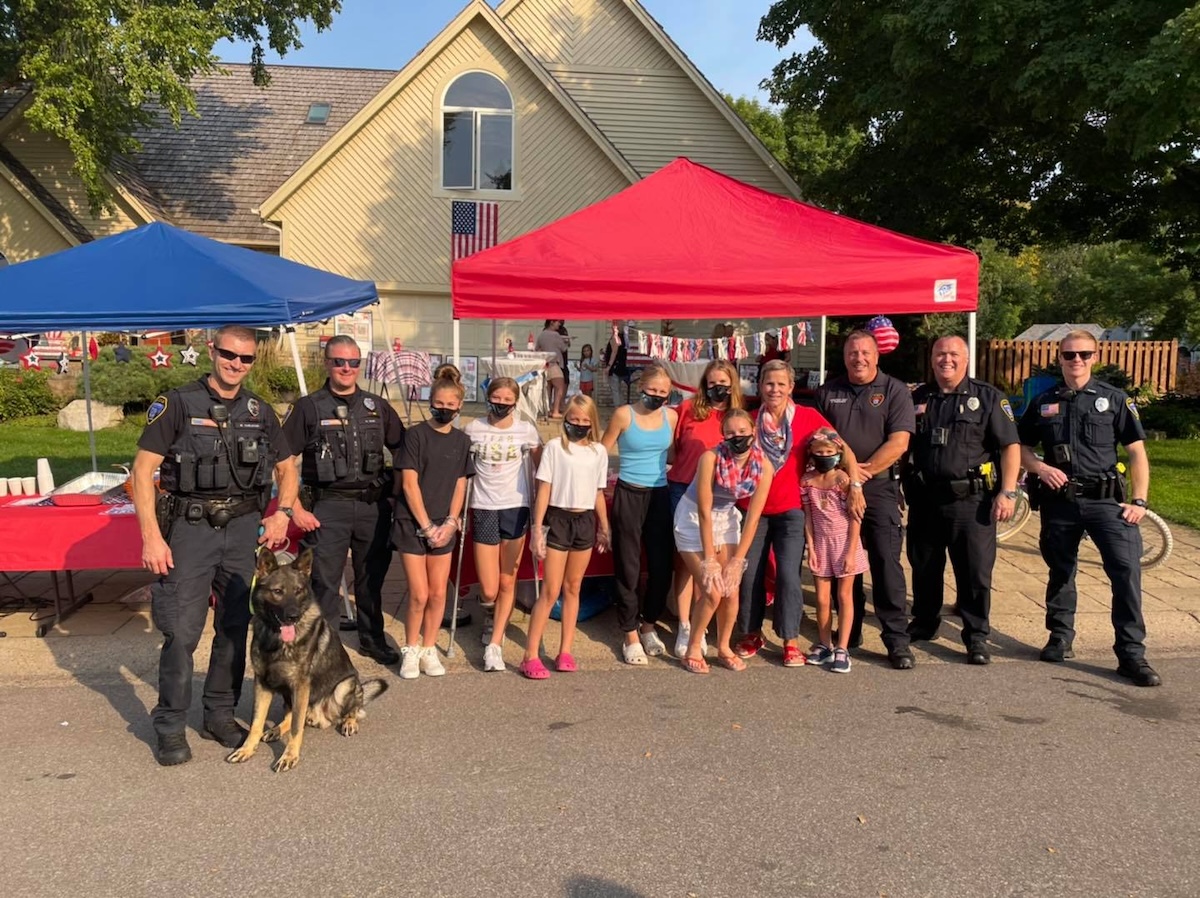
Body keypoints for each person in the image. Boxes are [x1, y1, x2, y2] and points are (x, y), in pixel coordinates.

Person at [132, 325, 297, 766]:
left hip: (243, 530)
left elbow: (287, 467)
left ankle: (219, 715)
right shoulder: (178, 404)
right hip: (190, 530)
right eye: (228, 355)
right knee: (182, 632)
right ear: (212, 350)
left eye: (245, 359)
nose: (236, 365)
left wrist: (283, 511)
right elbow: (142, 471)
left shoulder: (259, 410)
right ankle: (169, 723)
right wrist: (151, 536)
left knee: (232, 627)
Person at [1018, 330, 1161, 686]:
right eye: (1069, 355)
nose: (1076, 361)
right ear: (1060, 359)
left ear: (1095, 357)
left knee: (1126, 572)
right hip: (1060, 503)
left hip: (1106, 502)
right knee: (1060, 570)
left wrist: (1140, 501)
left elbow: (1137, 453)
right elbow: (1019, 446)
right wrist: (1039, 467)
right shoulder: (1044, 401)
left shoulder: (1113, 399)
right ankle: (1060, 636)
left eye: (1083, 354)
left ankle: (1131, 655)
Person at [282, 335, 406, 665]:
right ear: (327, 363)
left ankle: (371, 638)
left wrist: (397, 496)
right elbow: (282, 460)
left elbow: (404, 451)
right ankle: (325, 649)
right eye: (339, 361)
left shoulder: (376, 407)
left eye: (353, 362)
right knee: (323, 583)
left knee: (371, 579)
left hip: (372, 507)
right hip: (326, 508)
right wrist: (294, 509)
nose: (346, 368)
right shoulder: (308, 408)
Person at [904, 335, 1021, 665]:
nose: (946, 360)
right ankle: (925, 623)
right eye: (940, 354)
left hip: (972, 501)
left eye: (954, 354)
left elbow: (1010, 446)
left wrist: (1007, 491)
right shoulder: (917, 398)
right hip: (925, 499)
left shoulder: (987, 398)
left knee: (974, 571)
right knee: (925, 566)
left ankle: (976, 635)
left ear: (966, 359)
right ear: (932, 359)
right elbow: (905, 445)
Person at [735, 360, 853, 667]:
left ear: (790, 387)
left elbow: (843, 448)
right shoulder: (748, 421)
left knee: (788, 576)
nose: (774, 389)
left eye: (780, 384)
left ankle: (789, 640)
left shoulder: (808, 417)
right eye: (768, 383)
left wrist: (855, 485)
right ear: (759, 386)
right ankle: (751, 632)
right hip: (753, 509)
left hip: (791, 509)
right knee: (750, 575)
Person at [816, 330, 916, 669]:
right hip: (837, 488)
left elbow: (899, 442)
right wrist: (846, 476)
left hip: (879, 489)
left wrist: (860, 474)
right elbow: (820, 438)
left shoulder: (894, 390)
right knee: (846, 564)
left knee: (886, 564)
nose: (858, 358)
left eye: (864, 353)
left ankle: (896, 640)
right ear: (844, 356)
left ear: (877, 355)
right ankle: (850, 632)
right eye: (852, 353)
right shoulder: (829, 391)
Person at [675, 409, 773, 673]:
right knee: (711, 588)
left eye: (742, 432)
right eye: (730, 433)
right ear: (723, 435)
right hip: (694, 517)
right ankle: (694, 647)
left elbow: (753, 517)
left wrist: (737, 561)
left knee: (731, 588)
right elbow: (705, 511)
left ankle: (724, 646)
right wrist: (709, 559)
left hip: (728, 519)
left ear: (753, 431)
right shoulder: (710, 458)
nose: (737, 437)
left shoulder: (764, 465)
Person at [392, 373, 476, 679]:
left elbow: (460, 484)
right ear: (430, 402)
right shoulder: (415, 436)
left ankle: (430, 648)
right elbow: (410, 485)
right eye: (438, 403)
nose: (444, 408)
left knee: (439, 593)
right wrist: (427, 526)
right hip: (412, 523)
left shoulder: (463, 440)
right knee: (419, 593)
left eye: (450, 404)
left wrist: (452, 522)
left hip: (445, 524)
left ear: (459, 406)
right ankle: (411, 649)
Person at [522, 395, 611, 679]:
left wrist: (604, 526)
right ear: (566, 420)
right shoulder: (554, 449)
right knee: (550, 590)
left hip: (584, 520)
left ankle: (565, 650)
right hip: (558, 519)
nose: (580, 425)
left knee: (574, 588)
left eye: (585, 421)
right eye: (574, 419)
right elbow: (544, 489)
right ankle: (531, 655)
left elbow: (598, 492)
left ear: (592, 422)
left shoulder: (598, 452)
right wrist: (537, 529)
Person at [464, 377, 542, 672]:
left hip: (516, 507)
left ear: (515, 403)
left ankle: (495, 643)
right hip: (484, 507)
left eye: (507, 401)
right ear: (488, 398)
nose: (501, 404)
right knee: (488, 587)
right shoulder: (473, 428)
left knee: (508, 580)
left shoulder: (526, 430)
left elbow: (541, 464)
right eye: (496, 398)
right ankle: (490, 611)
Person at [602, 363, 677, 665]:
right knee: (628, 566)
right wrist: (602, 486)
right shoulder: (624, 414)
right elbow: (601, 451)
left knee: (662, 567)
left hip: (660, 494)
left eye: (663, 392)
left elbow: (672, 456)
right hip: (629, 492)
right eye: (652, 389)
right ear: (641, 386)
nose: (657, 395)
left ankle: (648, 624)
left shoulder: (671, 416)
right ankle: (629, 631)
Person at [667, 359, 743, 657]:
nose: (717, 387)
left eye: (723, 382)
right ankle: (685, 625)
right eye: (711, 382)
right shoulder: (687, 410)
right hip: (682, 493)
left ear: (732, 385)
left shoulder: (737, 419)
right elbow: (672, 448)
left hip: (719, 502)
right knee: (686, 565)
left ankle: (703, 623)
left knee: (711, 569)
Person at [802, 429, 869, 674]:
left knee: (844, 596)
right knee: (821, 599)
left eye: (828, 452)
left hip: (844, 544)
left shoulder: (843, 480)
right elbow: (808, 516)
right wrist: (810, 546)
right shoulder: (807, 481)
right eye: (818, 452)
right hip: (821, 543)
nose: (823, 456)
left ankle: (842, 647)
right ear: (811, 453)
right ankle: (825, 643)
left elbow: (855, 518)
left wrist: (851, 552)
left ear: (838, 453)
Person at [536, 320, 570, 418]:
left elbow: (537, 349)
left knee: (548, 389)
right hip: (555, 364)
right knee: (559, 387)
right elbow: (563, 348)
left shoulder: (541, 335)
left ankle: (548, 410)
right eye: (557, 322)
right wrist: (567, 342)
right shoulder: (556, 335)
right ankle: (555, 411)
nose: (559, 324)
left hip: (544, 365)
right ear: (551, 322)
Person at [602, 320, 628, 406]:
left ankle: (618, 409)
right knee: (618, 389)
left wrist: (608, 367)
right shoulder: (623, 338)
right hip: (621, 367)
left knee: (615, 390)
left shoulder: (615, 338)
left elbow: (614, 352)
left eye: (614, 325)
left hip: (614, 368)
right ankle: (623, 408)